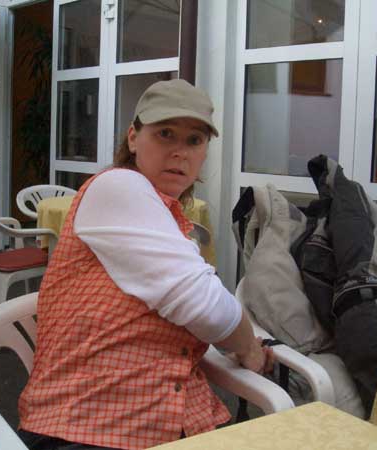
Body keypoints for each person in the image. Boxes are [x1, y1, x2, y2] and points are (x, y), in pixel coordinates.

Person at [18, 79, 274, 450]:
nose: (180, 152)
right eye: (165, 133)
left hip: (177, 422)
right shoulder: (118, 185)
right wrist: (249, 348)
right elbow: (205, 306)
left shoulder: (170, 218)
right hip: (90, 427)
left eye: (194, 140)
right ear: (133, 137)